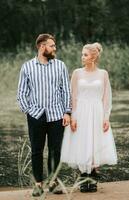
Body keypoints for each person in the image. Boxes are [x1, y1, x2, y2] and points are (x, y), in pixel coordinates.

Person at [17, 33, 71, 196]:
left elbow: (66, 91)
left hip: (57, 115)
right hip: (35, 115)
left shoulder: (60, 65)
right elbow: (21, 93)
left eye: (54, 45)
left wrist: (67, 112)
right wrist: (29, 110)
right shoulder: (27, 67)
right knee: (36, 150)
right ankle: (38, 184)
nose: (55, 48)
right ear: (42, 46)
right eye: (52, 45)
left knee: (56, 150)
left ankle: (54, 183)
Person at [60, 42, 117, 193]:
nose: (82, 57)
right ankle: (83, 177)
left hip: (97, 111)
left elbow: (106, 97)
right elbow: (72, 96)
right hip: (81, 111)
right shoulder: (77, 73)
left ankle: (92, 177)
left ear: (93, 57)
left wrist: (106, 117)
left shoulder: (103, 73)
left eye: (85, 54)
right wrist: (72, 116)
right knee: (82, 142)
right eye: (82, 54)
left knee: (95, 143)